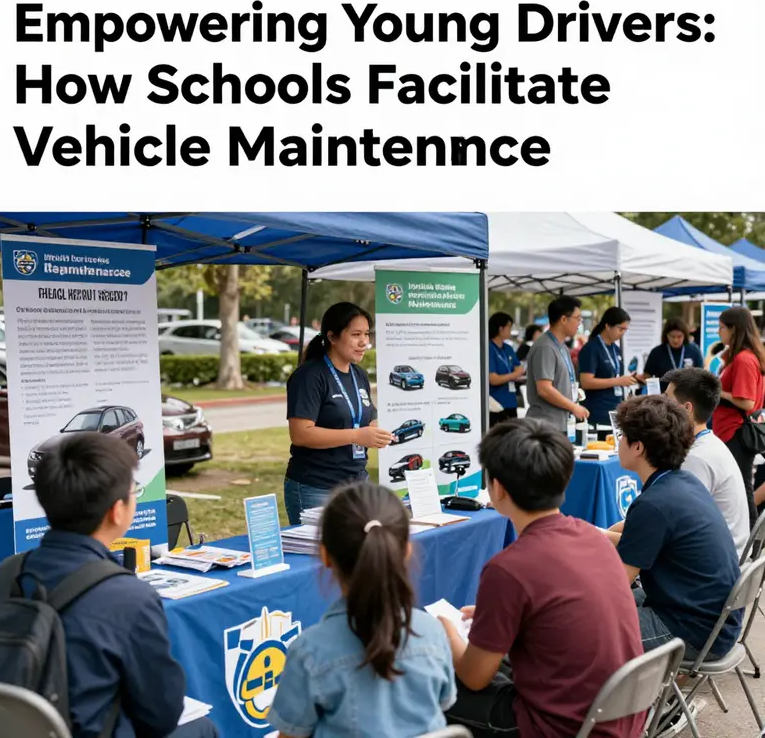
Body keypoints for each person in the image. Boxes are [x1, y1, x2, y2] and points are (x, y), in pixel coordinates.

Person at [0, 433, 216, 738]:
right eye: (133, 490)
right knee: (203, 728)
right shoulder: (130, 598)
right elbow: (161, 716)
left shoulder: (2, 575)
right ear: (117, 510)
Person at [440, 419, 645, 738]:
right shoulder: (593, 538)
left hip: (558, 727)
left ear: (498, 488)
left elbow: (475, 677)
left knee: (430, 680)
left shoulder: (508, 568)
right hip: (619, 716)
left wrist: (446, 633)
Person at [267, 482, 456, 737]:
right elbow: (444, 702)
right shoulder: (431, 632)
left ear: (325, 556)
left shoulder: (309, 651)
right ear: (406, 551)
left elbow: (290, 733)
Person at [604, 396, 741, 659]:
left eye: (622, 436)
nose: (618, 441)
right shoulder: (682, 481)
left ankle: (608, 699)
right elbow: (637, 529)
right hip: (715, 622)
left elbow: (615, 585)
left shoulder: (653, 503)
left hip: (693, 631)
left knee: (576, 627)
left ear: (638, 447)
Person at [284, 302, 392, 525]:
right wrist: (356, 436)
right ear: (332, 337)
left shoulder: (358, 374)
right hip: (317, 487)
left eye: (366, 334)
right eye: (355, 334)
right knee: (321, 559)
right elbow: (301, 434)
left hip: (357, 484)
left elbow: (367, 417)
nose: (364, 342)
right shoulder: (310, 376)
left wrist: (376, 432)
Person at [663, 367, 749, 557]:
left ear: (687, 408)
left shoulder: (696, 458)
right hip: (725, 556)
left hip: (713, 566)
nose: (662, 407)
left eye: (667, 400)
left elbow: (670, 527)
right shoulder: (709, 443)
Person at [712, 306, 765, 527]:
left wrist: (715, 391)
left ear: (734, 329)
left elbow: (747, 401)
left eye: (722, 327)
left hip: (736, 432)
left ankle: (750, 546)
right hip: (731, 431)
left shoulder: (744, 359)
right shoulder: (741, 357)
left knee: (741, 490)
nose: (718, 332)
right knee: (737, 488)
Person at [525, 296, 590, 439]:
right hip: (545, 427)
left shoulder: (561, 346)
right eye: (577, 318)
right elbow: (544, 389)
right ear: (564, 319)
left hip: (561, 424)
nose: (579, 323)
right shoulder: (545, 346)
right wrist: (573, 407)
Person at [578, 307, 637, 430]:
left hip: (615, 409)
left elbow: (615, 375)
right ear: (607, 326)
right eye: (620, 329)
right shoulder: (591, 348)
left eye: (625, 330)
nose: (623, 333)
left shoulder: (615, 349)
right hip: (597, 411)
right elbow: (586, 382)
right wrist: (619, 381)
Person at [488, 312, 523, 427]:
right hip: (495, 404)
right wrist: (513, 375)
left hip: (511, 402)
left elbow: (520, 369)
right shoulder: (488, 348)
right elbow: (493, 379)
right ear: (500, 328)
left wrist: (510, 375)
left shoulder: (508, 348)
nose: (511, 330)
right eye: (509, 327)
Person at [639, 318, 703, 381]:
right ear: (666, 335)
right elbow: (647, 376)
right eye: (672, 336)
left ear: (685, 335)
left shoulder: (694, 350)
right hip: (663, 390)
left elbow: (701, 375)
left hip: (688, 390)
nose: (675, 340)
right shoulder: (657, 352)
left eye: (679, 336)